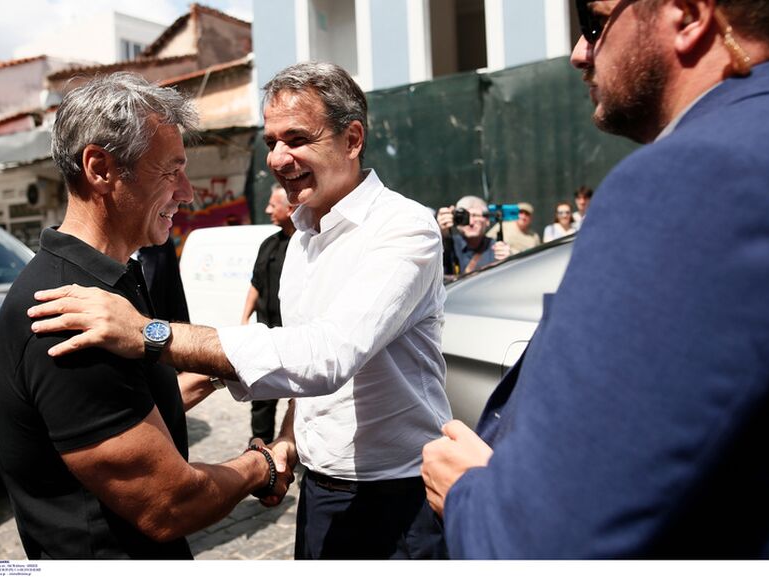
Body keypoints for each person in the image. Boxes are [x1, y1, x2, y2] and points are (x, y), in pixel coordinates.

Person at [26, 62, 451, 560]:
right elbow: (299, 361)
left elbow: (328, 355)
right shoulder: (303, 238)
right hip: (320, 493)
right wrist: (287, 442)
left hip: (398, 497)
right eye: (271, 141)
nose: (277, 158)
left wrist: (149, 334)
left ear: (352, 139)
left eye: (296, 139)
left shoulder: (404, 229)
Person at [421, 0, 769, 558]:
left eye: (594, 22)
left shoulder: (691, 176)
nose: (579, 52)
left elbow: (545, 545)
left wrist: (467, 492)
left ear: (686, 15)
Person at [0, 73, 292, 560]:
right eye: (171, 171)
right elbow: (169, 504)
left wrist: (227, 370)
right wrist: (264, 464)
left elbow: (133, 405)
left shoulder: (108, 284)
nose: (187, 192)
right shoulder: (67, 314)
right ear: (101, 168)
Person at [240, 184, 295, 444]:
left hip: (295, 340)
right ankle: (259, 446)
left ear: (290, 208)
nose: (267, 210)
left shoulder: (307, 245)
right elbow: (255, 284)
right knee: (261, 396)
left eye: (273, 205)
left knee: (302, 401)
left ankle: (294, 449)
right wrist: (244, 320)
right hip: (266, 338)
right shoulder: (268, 244)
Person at [437, 196, 510, 279]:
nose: (471, 222)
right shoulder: (447, 245)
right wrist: (441, 232)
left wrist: (506, 262)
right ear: (456, 221)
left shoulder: (496, 249)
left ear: (487, 220)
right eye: (465, 217)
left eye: (475, 216)